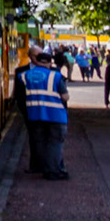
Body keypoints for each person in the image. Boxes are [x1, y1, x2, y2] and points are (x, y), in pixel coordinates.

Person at [19, 49, 71, 179]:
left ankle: (43, 168)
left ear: (37, 61)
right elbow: (65, 97)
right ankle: (53, 171)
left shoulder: (24, 75)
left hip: (35, 114)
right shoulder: (56, 76)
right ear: (49, 63)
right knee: (55, 142)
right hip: (55, 114)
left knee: (40, 142)